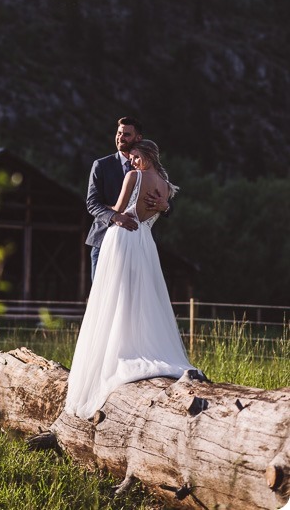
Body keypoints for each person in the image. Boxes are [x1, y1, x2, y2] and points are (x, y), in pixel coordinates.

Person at [65, 139, 201, 421]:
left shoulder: (133, 176)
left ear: (147, 155)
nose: (133, 161)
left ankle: (117, 354)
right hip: (145, 242)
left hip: (122, 238)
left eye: (137, 156)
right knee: (142, 296)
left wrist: (116, 209)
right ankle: (136, 344)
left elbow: (119, 207)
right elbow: (161, 209)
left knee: (113, 295)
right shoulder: (164, 184)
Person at [86, 117, 170, 280]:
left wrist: (165, 206)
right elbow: (92, 203)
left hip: (139, 242)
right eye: (118, 133)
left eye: (126, 134)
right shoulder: (101, 165)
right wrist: (115, 217)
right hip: (103, 239)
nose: (120, 138)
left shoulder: (152, 170)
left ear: (138, 138)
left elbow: (168, 202)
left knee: (133, 297)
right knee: (103, 297)